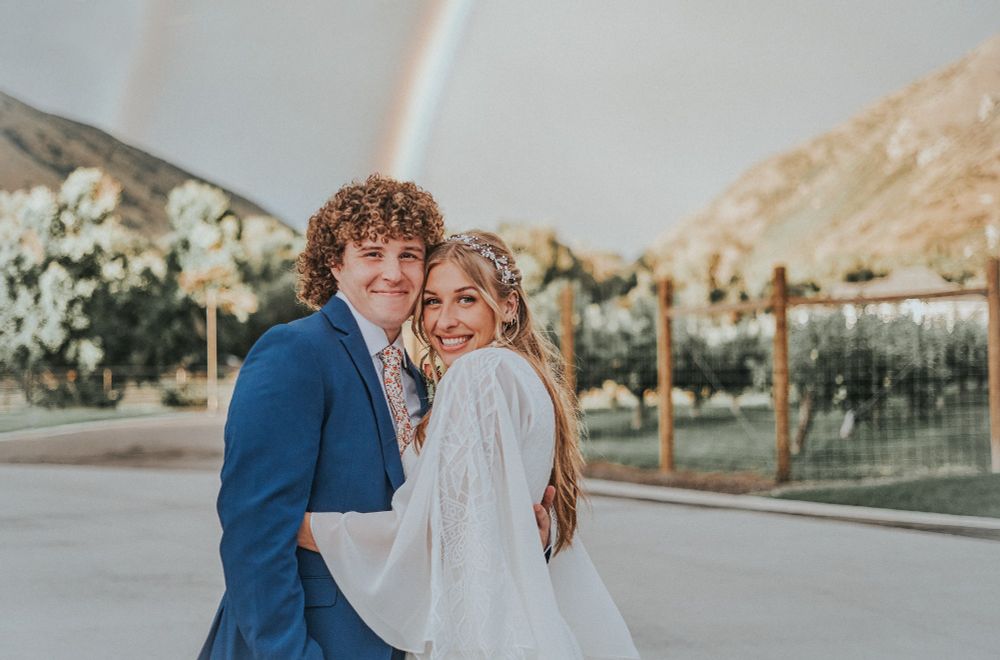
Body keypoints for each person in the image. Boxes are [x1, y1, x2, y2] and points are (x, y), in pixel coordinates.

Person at [199, 176, 548, 659]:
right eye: (371, 253)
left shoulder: (419, 374)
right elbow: (253, 541)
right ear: (335, 264)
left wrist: (521, 532)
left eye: (409, 254)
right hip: (310, 644)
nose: (394, 272)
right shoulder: (295, 353)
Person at [298, 231, 639, 659]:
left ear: (508, 306)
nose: (444, 321)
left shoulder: (480, 373)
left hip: (481, 632)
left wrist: (306, 526)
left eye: (466, 299)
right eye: (432, 302)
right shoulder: (525, 375)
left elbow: (433, 532)